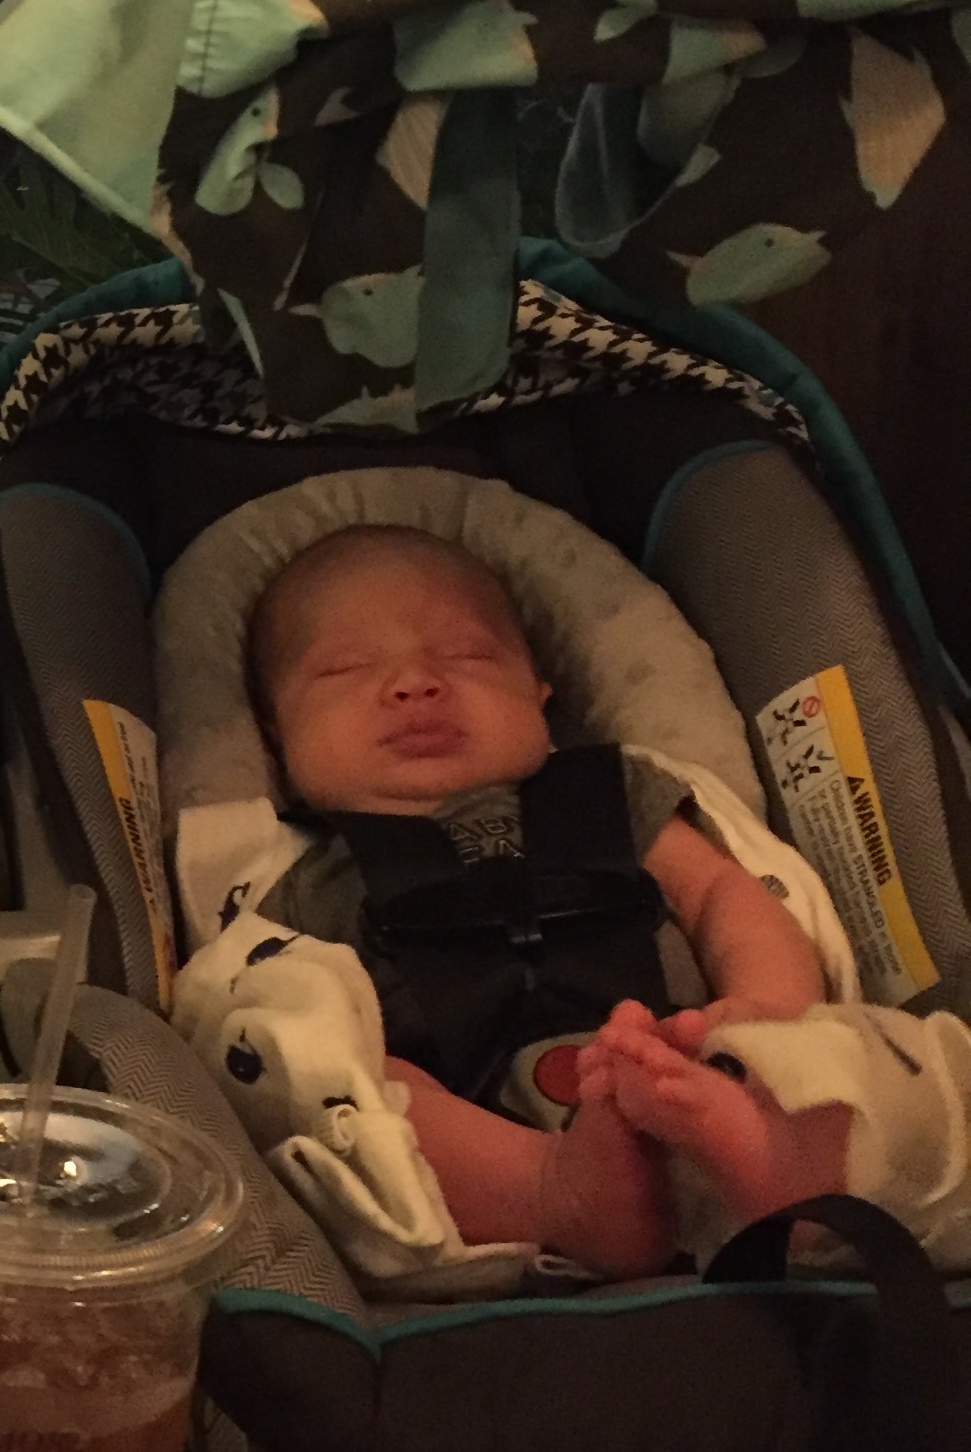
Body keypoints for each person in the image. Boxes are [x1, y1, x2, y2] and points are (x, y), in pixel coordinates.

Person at [244, 526, 849, 1275]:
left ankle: (750, 1149)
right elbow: (278, 1033)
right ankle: (554, 1192)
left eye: (467, 656)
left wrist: (764, 1013)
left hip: (683, 1050)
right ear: (277, 731)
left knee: (804, 1046)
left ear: (538, 690)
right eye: (346, 669)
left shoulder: (613, 794)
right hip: (474, 1117)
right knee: (343, 1077)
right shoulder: (301, 881)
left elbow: (722, 893)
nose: (415, 684)